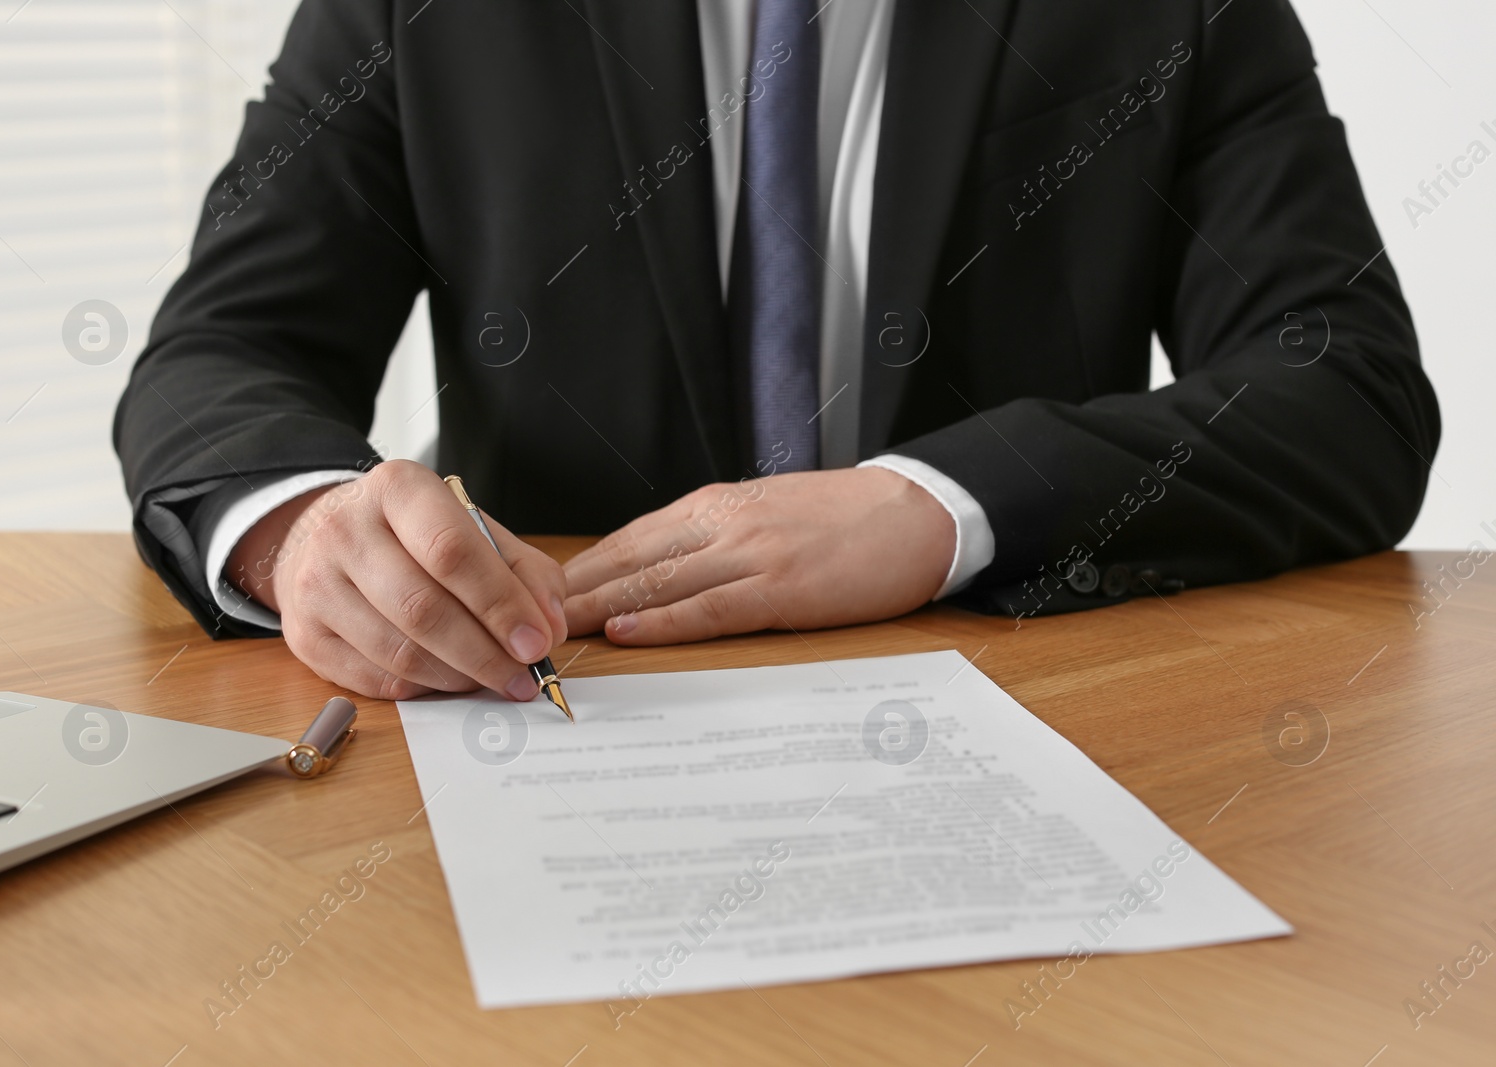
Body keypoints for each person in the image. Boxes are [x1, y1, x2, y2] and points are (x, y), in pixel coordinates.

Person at [113, 0, 1439, 703]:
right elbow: (227, 344)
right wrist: (300, 530)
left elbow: (1346, 384)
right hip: (553, 714)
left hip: (1037, 712)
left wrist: (936, 507)